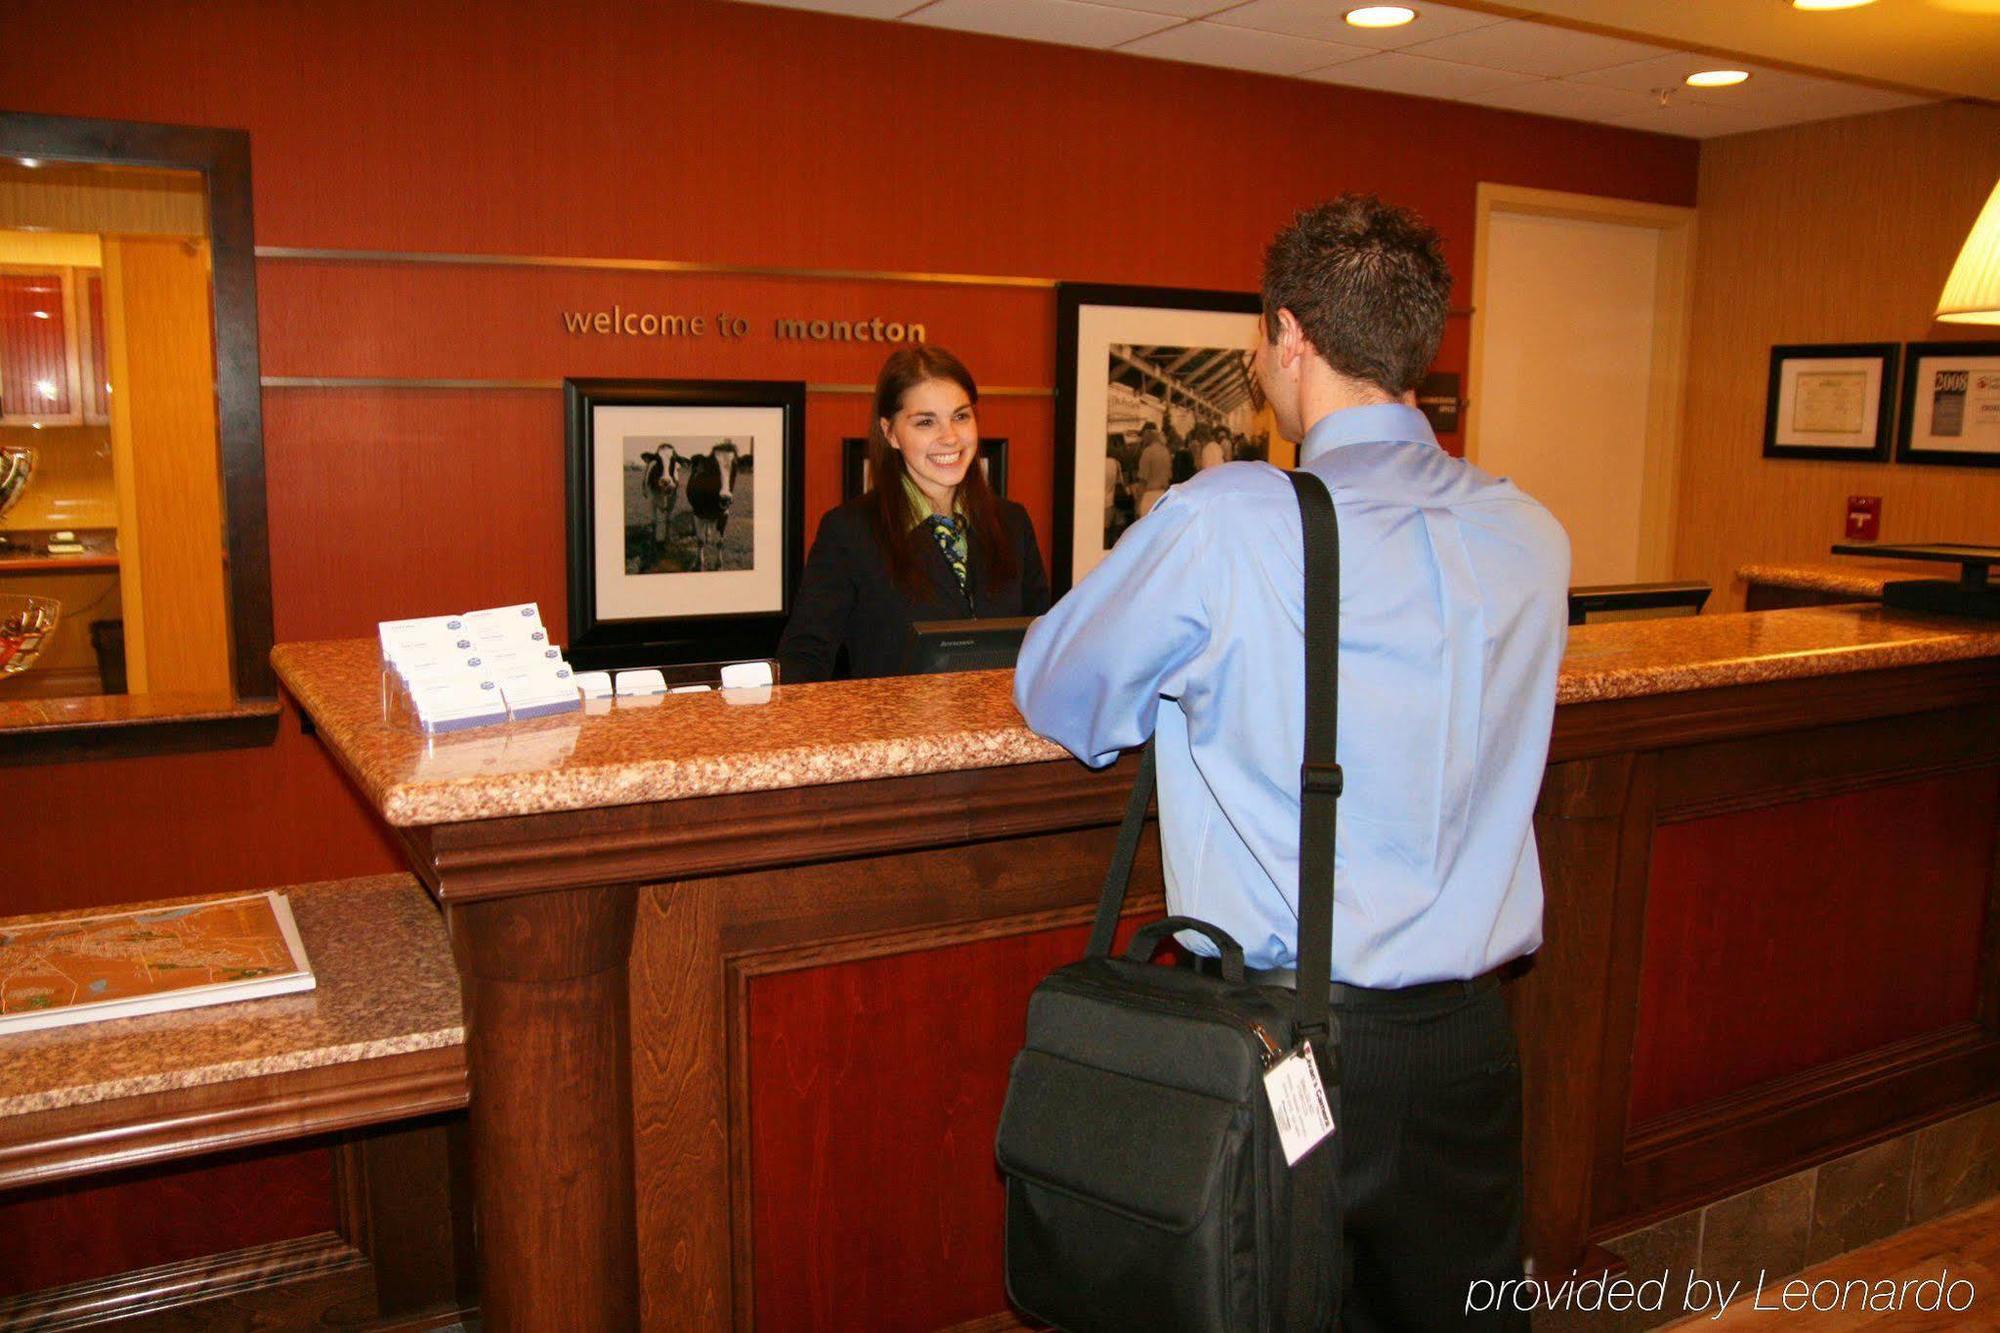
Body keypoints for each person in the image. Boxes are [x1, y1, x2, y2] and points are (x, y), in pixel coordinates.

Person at [1014, 194, 1569, 1329]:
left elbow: (1058, 691)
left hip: (1294, 1045)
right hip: (1472, 1042)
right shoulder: (1529, 533)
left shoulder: (1231, 521)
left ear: (1289, 336)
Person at [777, 346, 1049, 682]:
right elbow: (806, 655)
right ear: (890, 432)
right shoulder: (849, 531)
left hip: (1003, 731)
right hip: (897, 732)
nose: (949, 437)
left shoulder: (1012, 523)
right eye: (925, 422)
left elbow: (1045, 643)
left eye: (961, 416)